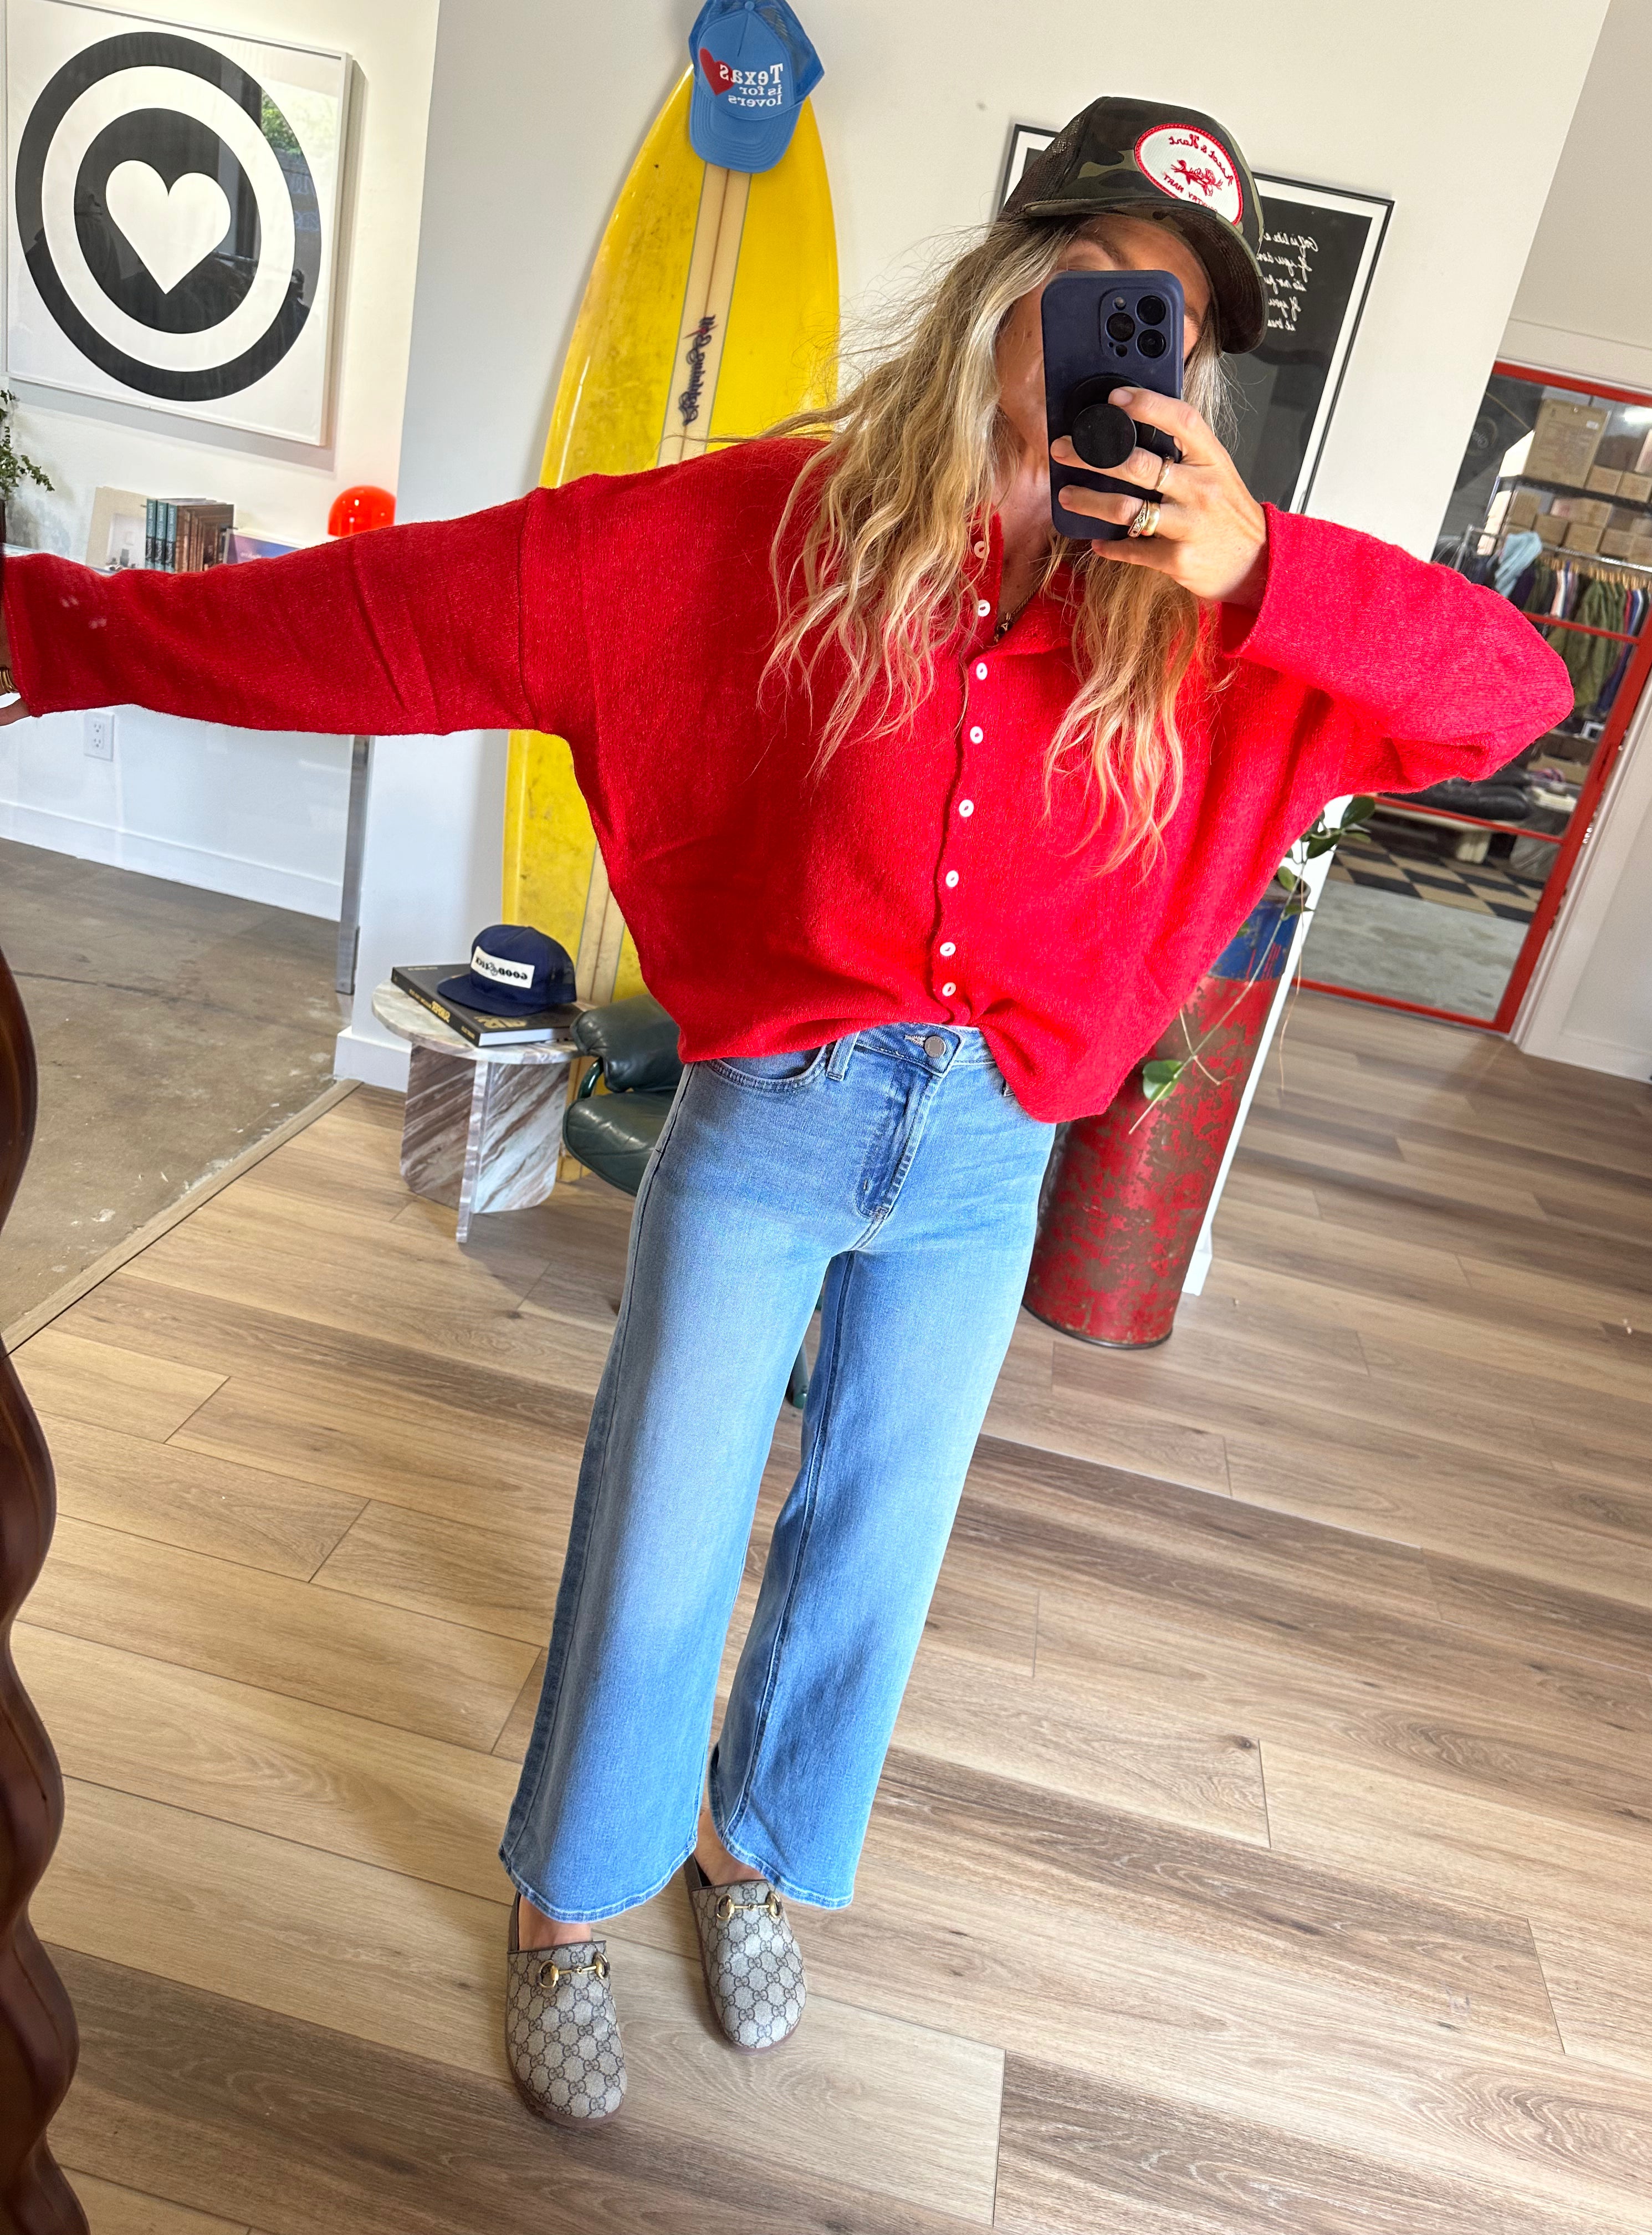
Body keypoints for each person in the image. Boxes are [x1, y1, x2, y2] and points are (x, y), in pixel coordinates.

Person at [0, 94, 1570, 2129]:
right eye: (1106, 288)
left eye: (1178, 324)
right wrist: (52, 628)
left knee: (873, 1552)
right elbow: (390, 623)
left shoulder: (1220, 619)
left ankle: (757, 1861)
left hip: (989, 1157)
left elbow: (1509, 699)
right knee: (659, 1537)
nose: (1136, 347)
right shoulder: (758, 533)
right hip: (770, 1122)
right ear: (1014, 284)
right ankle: (568, 1902)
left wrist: (1256, 563)